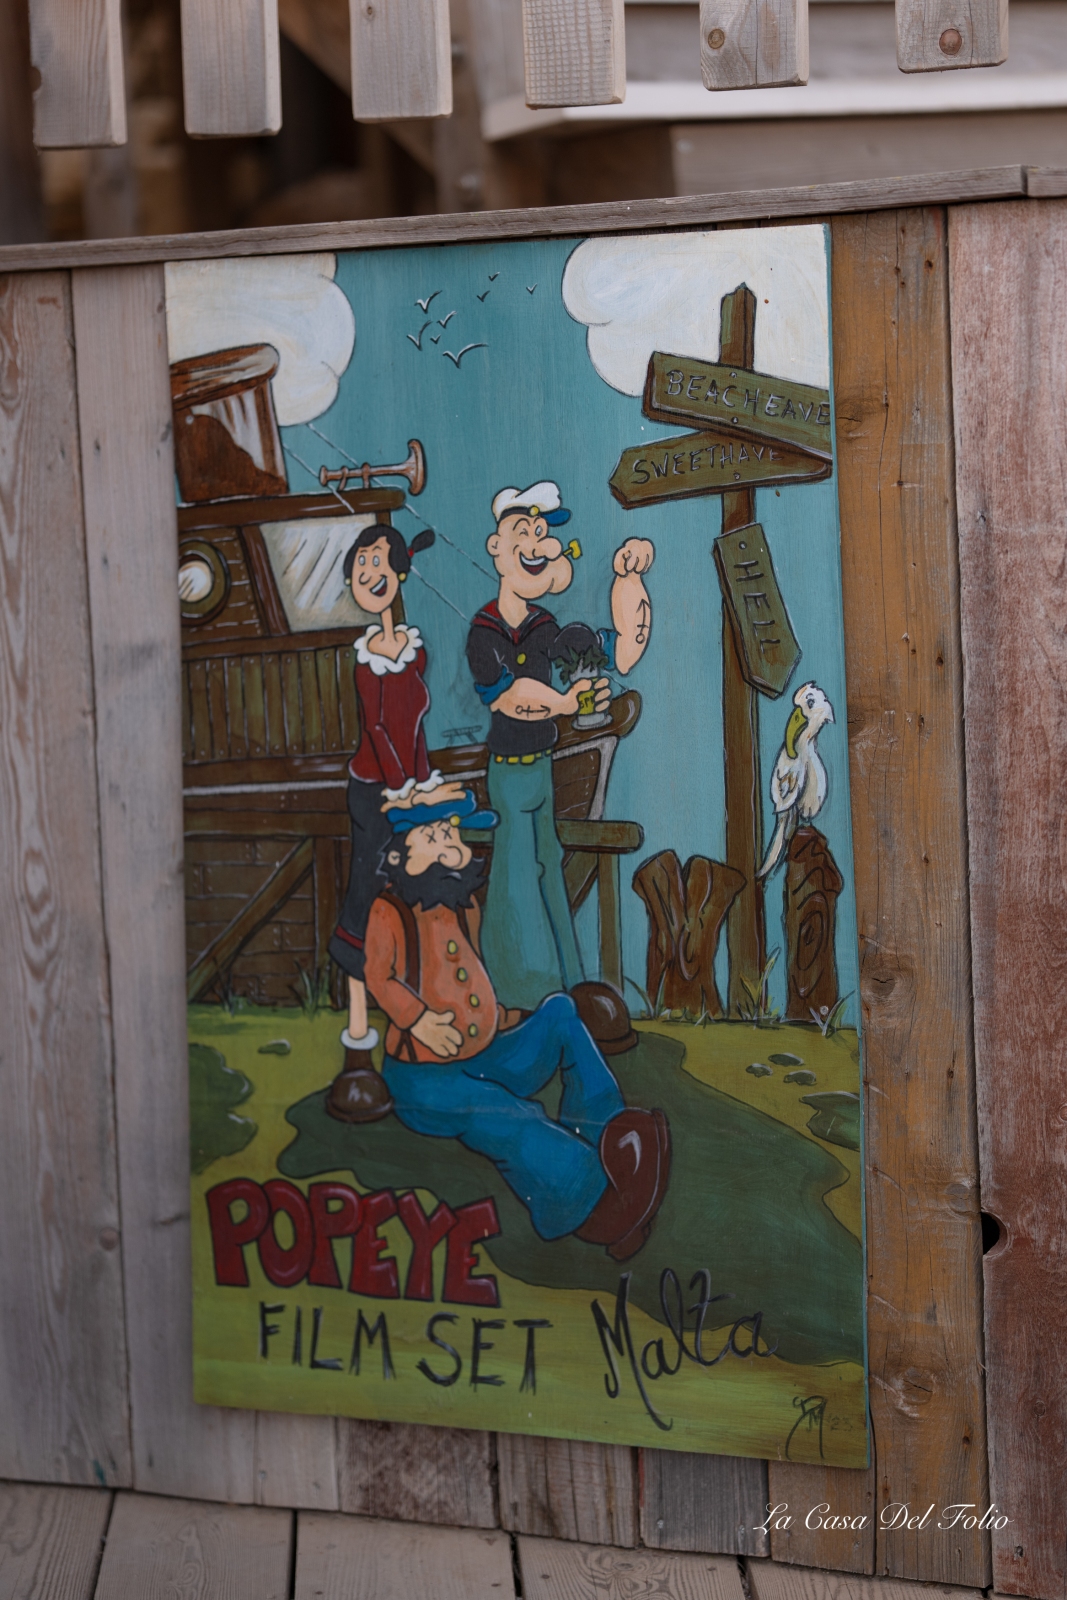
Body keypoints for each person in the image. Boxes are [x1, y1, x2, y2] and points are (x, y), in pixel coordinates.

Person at [362, 793, 672, 1259]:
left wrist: (502, 1019)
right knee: (509, 1116)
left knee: (560, 1013)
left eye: (451, 833)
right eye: (435, 835)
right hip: (423, 1079)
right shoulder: (389, 912)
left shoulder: (463, 904)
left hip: (483, 1052)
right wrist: (419, 1019)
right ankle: (587, 1206)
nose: (449, 844)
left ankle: (610, 1135)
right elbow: (378, 977)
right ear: (401, 852)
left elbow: (469, 979)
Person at [465, 481, 654, 1011]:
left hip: (545, 770)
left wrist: (630, 582)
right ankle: (520, 994)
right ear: (497, 547)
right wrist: (566, 703)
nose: (536, 543)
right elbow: (510, 700)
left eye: (543, 532)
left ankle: (567, 989)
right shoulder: (484, 633)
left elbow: (621, 651)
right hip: (509, 773)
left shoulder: (547, 628)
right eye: (522, 532)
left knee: (549, 874)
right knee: (515, 878)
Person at [326, 522, 466, 1125]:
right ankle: (358, 1041)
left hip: (406, 791)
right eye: (361, 567)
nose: (369, 576)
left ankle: (426, 1017)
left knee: (411, 896)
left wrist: (425, 782)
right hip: (373, 793)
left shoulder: (415, 649)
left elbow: (414, 731)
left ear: (400, 573)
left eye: (378, 565)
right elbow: (380, 733)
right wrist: (405, 789)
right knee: (366, 900)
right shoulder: (366, 662)